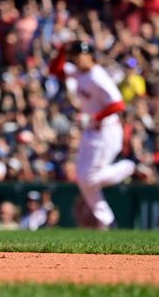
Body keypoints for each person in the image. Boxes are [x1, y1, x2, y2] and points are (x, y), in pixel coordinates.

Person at [49, 40, 136, 229]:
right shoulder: (79, 73)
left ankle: (129, 167)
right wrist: (63, 49)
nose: (76, 58)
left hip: (106, 131)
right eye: (74, 55)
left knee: (89, 178)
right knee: (82, 179)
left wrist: (96, 116)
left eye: (79, 55)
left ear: (90, 55)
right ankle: (107, 221)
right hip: (91, 131)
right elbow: (54, 71)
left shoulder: (98, 76)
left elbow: (118, 104)